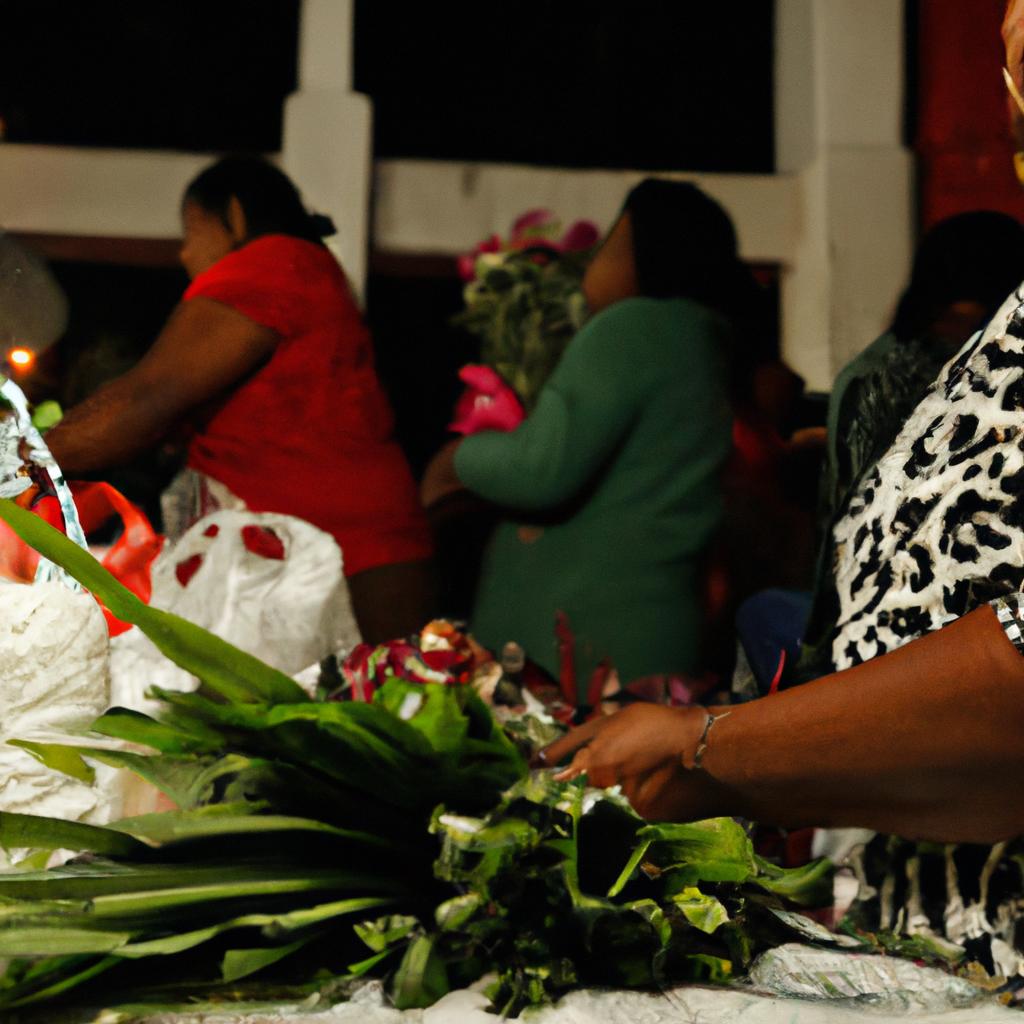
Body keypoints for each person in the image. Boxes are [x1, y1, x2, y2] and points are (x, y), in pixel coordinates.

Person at [43, 156, 434, 643]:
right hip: (359, 551)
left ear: (235, 215)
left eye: (192, 231)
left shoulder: (274, 264)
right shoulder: (311, 271)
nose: (185, 254)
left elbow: (144, 400)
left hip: (341, 560)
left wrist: (20, 456)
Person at [425, 180, 757, 698]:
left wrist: (459, 458)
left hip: (588, 659)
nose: (595, 259)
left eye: (609, 241)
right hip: (649, 641)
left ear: (646, 248)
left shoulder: (635, 328)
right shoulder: (699, 339)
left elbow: (541, 469)